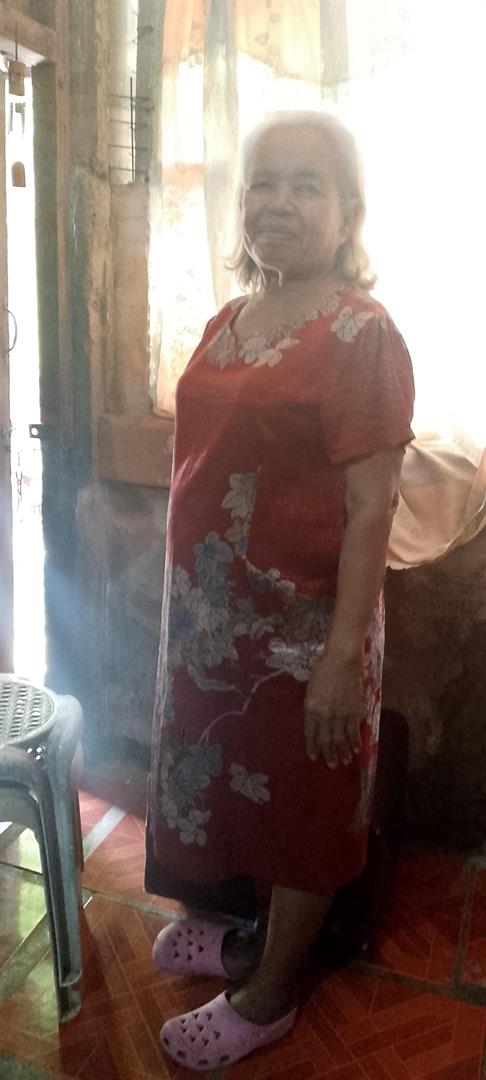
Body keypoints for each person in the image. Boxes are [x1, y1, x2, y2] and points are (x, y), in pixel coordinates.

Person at [145, 109, 415, 1071]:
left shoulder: (360, 333)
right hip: (217, 630)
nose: (279, 202)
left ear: (347, 212)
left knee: (302, 802)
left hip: (306, 635)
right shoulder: (229, 320)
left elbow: (373, 505)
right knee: (241, 788)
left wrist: (342, 657)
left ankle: (270, 996)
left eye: (308, 185)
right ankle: (250, 940)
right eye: (264, 181)